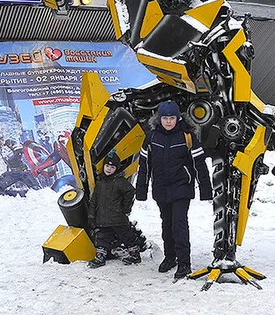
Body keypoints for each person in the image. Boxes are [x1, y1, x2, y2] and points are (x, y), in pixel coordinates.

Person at [136, 100, 212, 280]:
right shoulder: (151, 137)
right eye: (165, 118)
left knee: (179, 224)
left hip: (181, 187)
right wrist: (141, 190)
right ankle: (170, 257)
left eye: (172, 118)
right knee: (166, 224)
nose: (168, 121)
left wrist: (205, 189)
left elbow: (199, 164)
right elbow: (144, 165)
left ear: (178, 118)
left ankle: (184, 263)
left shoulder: (188, 137)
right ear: (159, 119)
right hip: (160, 188)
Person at [88, 151, 141, 268]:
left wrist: (126, 208)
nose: (109, 169)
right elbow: (94, 200)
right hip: (103, 218)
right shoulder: (100, 182)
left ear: (116, 169)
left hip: (118, 217)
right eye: (107, 166)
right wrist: (91, 216)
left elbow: (130, 191)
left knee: (127, 235)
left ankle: (134, 254)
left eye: (112, 167)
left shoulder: (119, 181)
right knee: (102, 237)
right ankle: (100, 257)